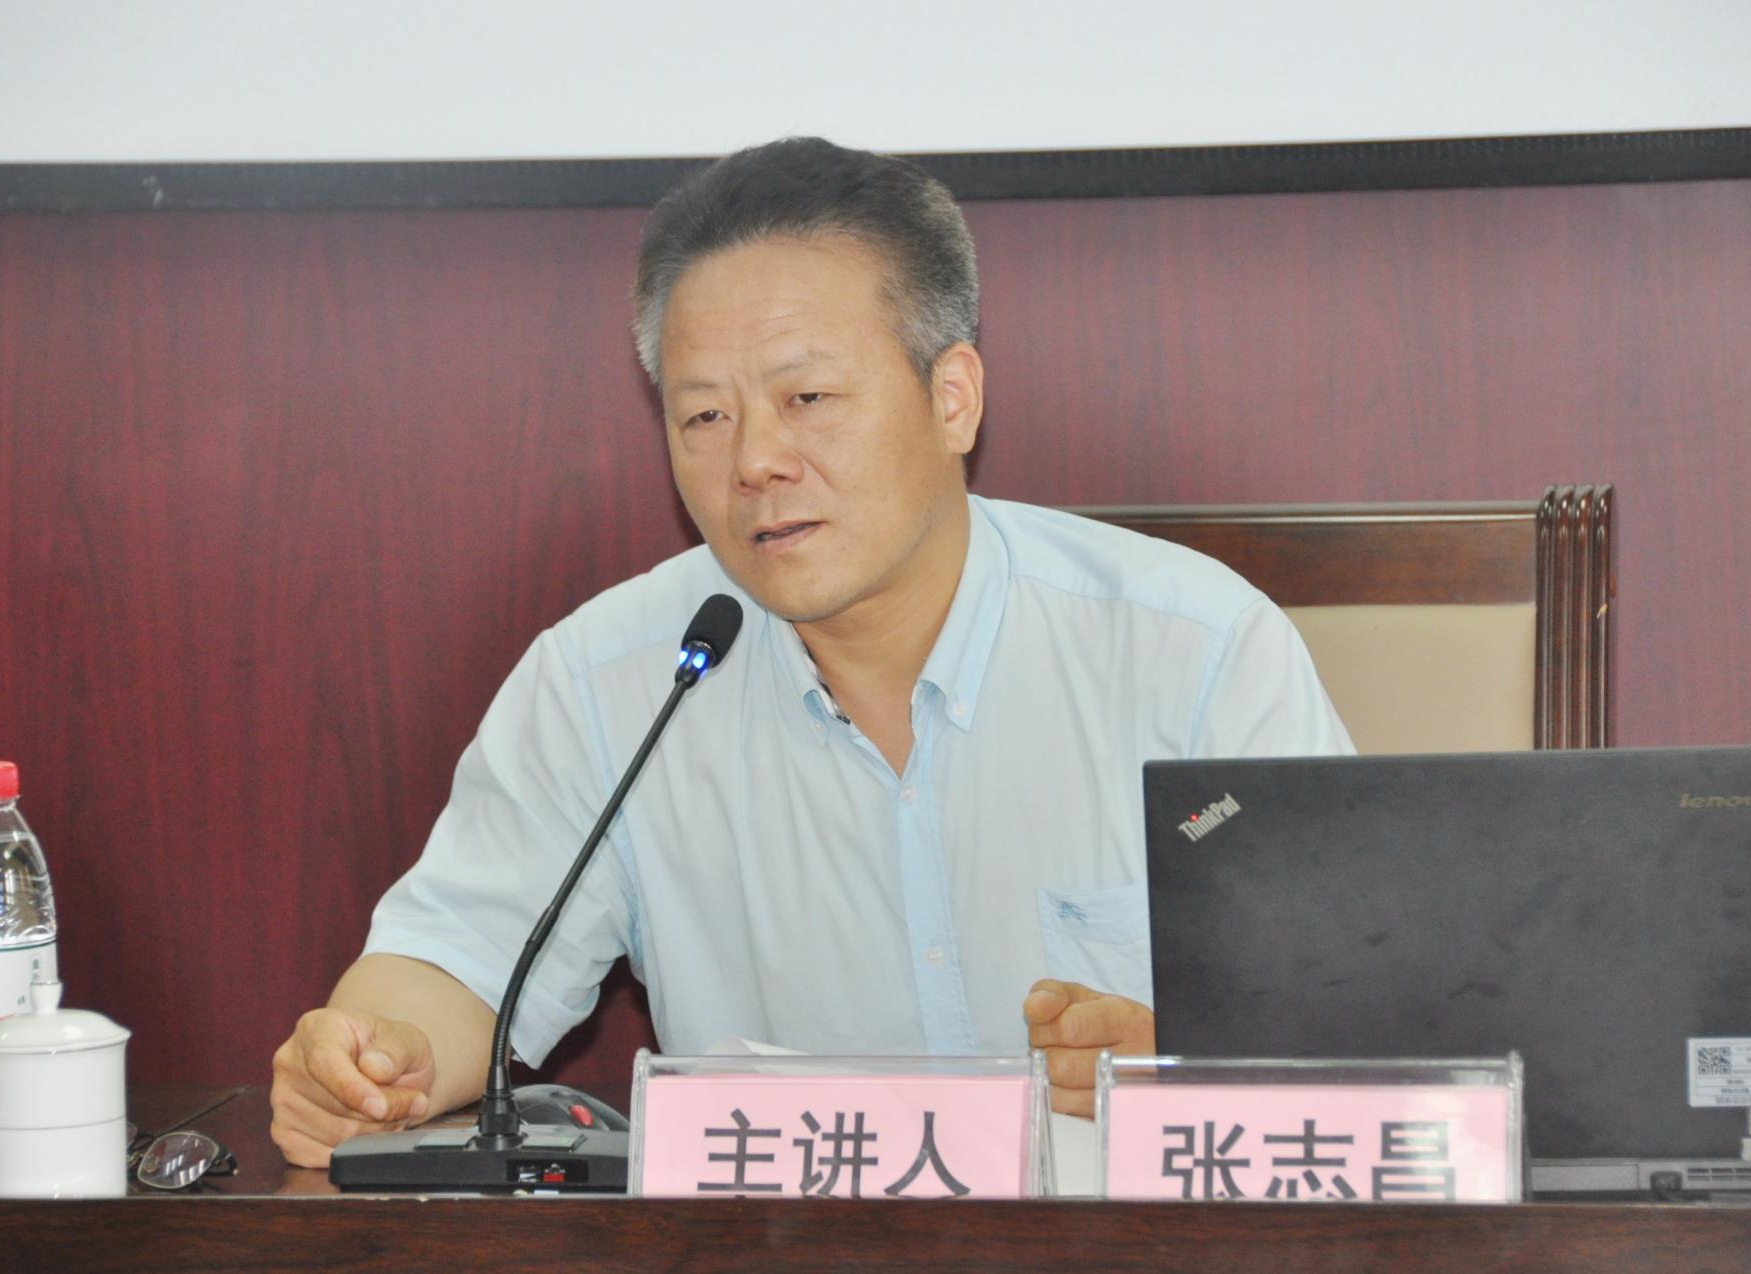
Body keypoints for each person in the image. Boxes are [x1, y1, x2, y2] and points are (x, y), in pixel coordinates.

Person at [270, 137, 1351, 1167]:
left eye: (809, 399)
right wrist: (371, 1063)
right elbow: (456, 961)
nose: (756, 462)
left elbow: (1362, 1016)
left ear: (952, 397)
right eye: (704, 416)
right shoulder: (611, 682)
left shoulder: (1192, 652)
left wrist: (1202, 1065)